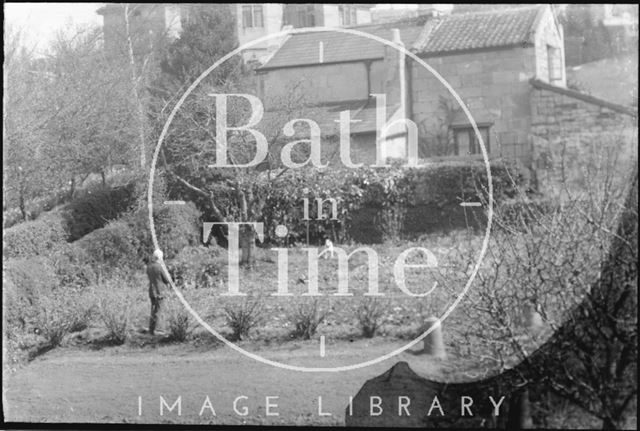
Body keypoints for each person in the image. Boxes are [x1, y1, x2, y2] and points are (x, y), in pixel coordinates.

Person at [146, 249, 170, 335]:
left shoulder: (148, 266)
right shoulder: (159, 267)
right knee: (160, 310)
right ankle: (159, 329)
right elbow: (166, 280)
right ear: (159, 257)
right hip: (159, 291)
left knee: (153, 310)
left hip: (151, 291)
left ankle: (151, 329)